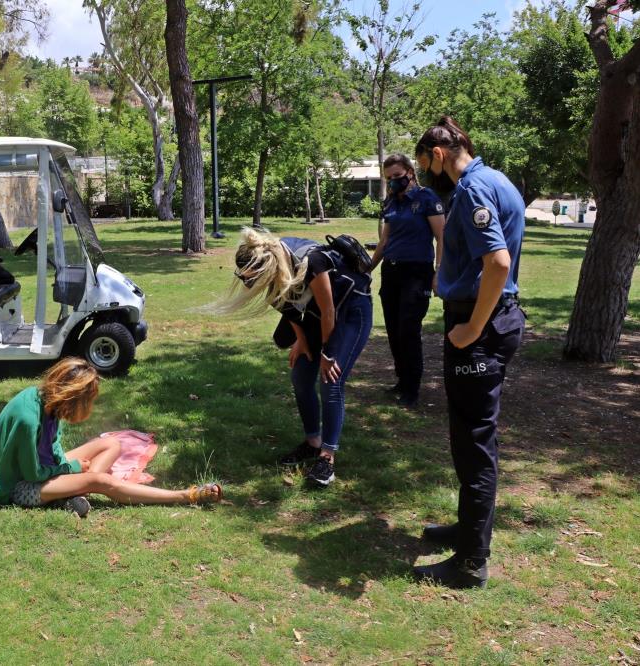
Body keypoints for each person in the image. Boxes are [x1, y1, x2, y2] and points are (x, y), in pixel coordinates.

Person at [410, 116, 526, 589]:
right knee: (466, 435)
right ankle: (466, 529)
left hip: (480, 327)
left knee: (475, 443)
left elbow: (498, 263)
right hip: (483, 319)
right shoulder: (493, 180)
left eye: (425, 167)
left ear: (439, 155)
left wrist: (472, 327)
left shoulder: (475, 188)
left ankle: (471, 562)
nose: (426, 178)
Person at [223, 227, 372, 487]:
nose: (250, 285)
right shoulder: (267, 276)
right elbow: (290, 310)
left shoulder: (312, 261)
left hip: (350, 312)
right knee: (301, 378)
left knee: (331, 380)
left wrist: (328, 354)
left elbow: (329, 312)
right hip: (318, 318)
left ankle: (327, 457)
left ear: (265, 267)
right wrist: (301, 341)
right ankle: (312, 443)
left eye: (251, 279)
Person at [0, 356, 223, 515]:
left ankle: (70, 494)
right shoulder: (28, 419)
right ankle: (185, 496)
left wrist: (66, 465)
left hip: (42, 467)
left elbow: (52, 444)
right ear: (72, 396)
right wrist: (72, 468)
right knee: (102, 481)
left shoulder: (46, 398)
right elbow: (32, 473)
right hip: (20, 487)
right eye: (87, 400)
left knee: (111, 444)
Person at [369, 154, 446, 407]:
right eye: (389, 178)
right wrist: (368, 268)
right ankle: (402, 380)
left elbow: (441, 237)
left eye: (397, 177)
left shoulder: (427, 199)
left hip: (417, 273)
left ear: (410, 173)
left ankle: (412, 389)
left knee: (408, 330)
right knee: (393, 330)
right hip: (391, 272)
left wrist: (439, 272)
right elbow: (385, 241)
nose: (393, 182)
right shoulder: (391, 201)